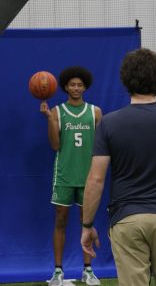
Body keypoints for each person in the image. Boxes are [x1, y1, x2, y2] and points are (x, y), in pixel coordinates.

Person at [80, 48, 156, 286]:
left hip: (126, 219)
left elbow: (95, 180)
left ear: (125, 80)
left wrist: (87, 225)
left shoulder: (109, 123)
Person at [40, 66, 102, 286]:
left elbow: (100, 147)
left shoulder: (95, 111)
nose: (76, 88)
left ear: (85, 87)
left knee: (87, 223)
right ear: (65, 86)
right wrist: (49, 119)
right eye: (72, 84)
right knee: (61, 220)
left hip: (88, 176)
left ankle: (88, 270)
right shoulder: (57, 111)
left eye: (80, 85)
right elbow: (56, 145)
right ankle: (58, 271)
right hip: (64, 175)